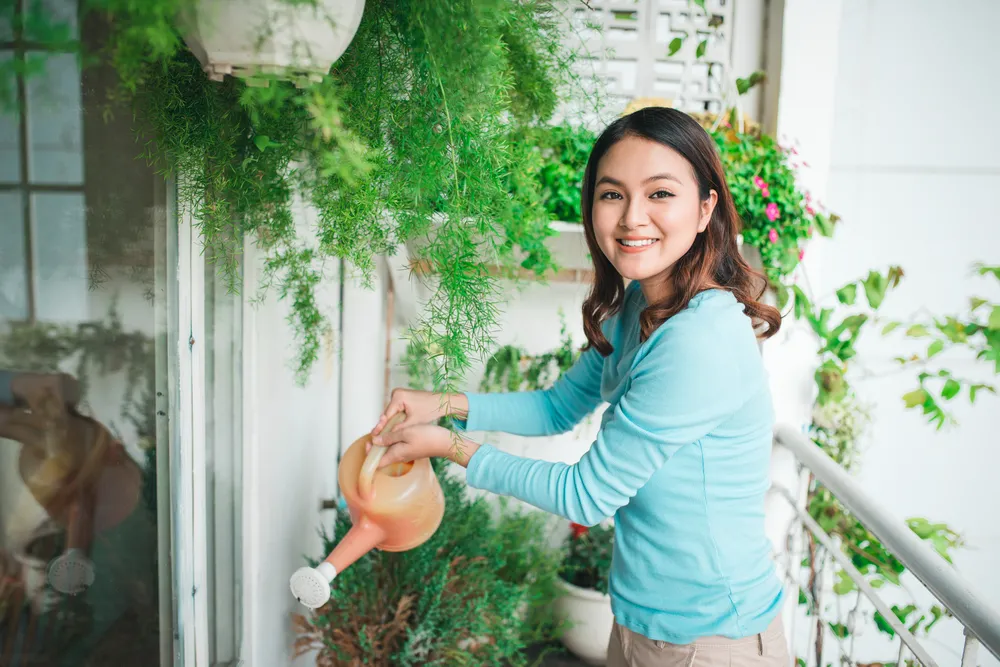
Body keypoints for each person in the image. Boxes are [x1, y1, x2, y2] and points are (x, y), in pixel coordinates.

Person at [370, 106, 788, 666]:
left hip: (712, 640)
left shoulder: (700, 339)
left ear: (705, 208)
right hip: (644, 621)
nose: (632, 218)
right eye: (612, 194)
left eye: (660, 193)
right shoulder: (640, 301)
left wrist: (450, 445)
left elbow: (584, 497)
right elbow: (558, 407)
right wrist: (442, 403)